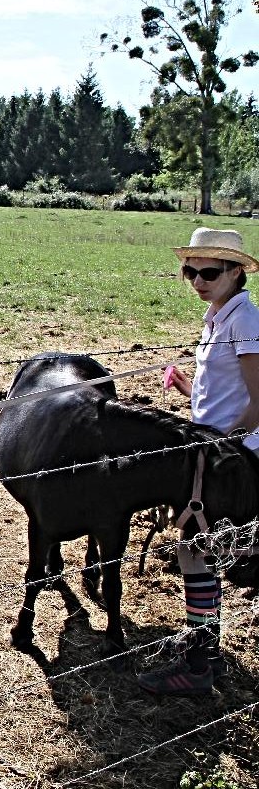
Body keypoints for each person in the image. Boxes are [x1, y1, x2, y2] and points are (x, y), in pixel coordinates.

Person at [138, 227, 259, 695]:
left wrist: (222, 446)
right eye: (190, 271)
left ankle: (201, 663)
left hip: (237, 456)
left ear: (235, 273)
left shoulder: (244, 321)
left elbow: (257, 402)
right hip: (217, 448)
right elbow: (224, 394)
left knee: (198, 552)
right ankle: (203, 657)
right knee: (197, 551)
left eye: (209, 272)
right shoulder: (217, 316)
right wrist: (189, 387)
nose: (197, 281)